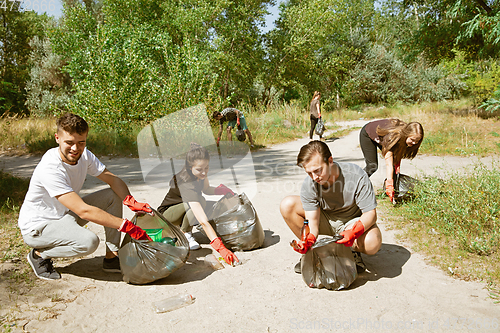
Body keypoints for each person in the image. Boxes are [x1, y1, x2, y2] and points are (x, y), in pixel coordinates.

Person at [18, 113, 153, 281]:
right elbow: (84, 211)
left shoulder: (85, 155)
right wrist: (127, 227)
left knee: (113, 195)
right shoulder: (50, 167)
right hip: (39, 228)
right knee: (89, 242)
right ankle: (39, 254)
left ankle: (112, 258)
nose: (75, 148)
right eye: (69, 142)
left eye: (81, 143)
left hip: (63, 216)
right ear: (57, 138)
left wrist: (131, 201)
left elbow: (112, 179)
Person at [280, 140, 382, 274]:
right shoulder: (309, 184)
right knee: (287, 205)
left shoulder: (356, 176)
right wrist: (308, 240)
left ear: (330, 161)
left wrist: (354, 232)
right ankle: (311, 253)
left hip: (351, 222)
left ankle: (352, 252)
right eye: (309, 173)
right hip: (326, 220)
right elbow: (313, 223)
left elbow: (371, 214)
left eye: (317, 170)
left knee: (372, 242)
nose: (314, 177)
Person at [157, 143, 239, 265]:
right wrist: (220, 247)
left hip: (184, 208)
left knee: (207, 202)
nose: (204, 172)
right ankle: (185, 233)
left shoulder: (200, 175)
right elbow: (202, 220)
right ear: (190, 167)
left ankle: (185, 230)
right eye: (200, 169)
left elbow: (206, 189)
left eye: (206, 168)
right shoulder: (186, 182)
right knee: (201, 201)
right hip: (167, 215)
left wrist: (220, 190)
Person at [359, 118, 424, 202]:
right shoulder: (392, 138)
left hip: (383, 136)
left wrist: (397, 168)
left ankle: (395, 194)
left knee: (394, 170)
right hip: (368, 133)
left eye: (417, 141)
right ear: (406, 135)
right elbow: (389, 164)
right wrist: (389, 184)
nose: (414, 143)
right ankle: (354, 185)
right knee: (372, 166)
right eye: (412, 140)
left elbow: (397, 156)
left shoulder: (405, 137)